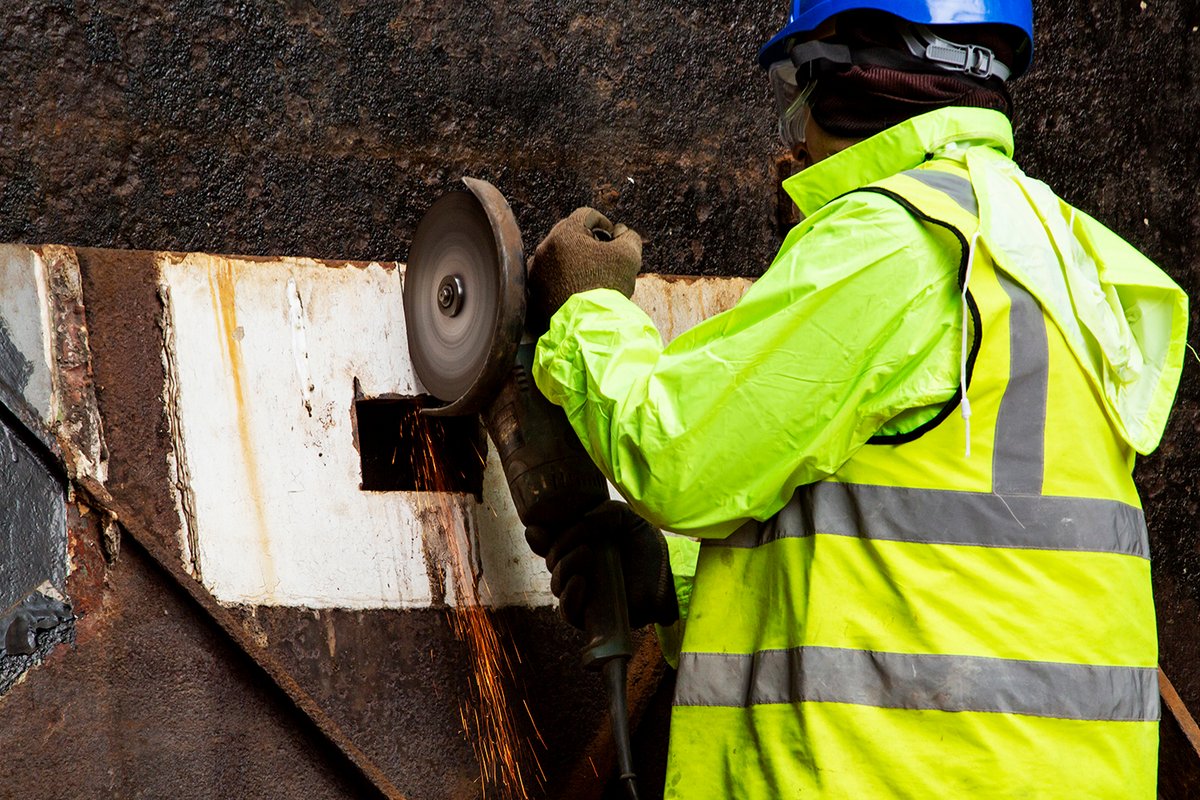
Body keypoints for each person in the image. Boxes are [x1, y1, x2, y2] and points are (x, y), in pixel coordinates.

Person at [523, 2, 1190, 797]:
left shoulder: (895, 243)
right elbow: (930, 564)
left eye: (800, 98)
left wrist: (582, 311)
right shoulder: (1059, 256)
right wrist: (675, 586)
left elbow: (674, 454)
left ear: (850, 82)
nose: (792, 142)